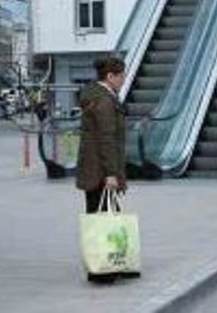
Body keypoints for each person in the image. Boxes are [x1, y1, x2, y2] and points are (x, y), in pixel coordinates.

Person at [76, 55, 128, 284]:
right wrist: (111, 173)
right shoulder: (105, 101)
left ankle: (104, 266)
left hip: (91, 168)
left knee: (99, 216)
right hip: (100, 171)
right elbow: (107, 138)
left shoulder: (93, 96)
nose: (123, 79)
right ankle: (103, 270)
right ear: (110, 76)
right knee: (104, 219)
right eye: (121, 75)